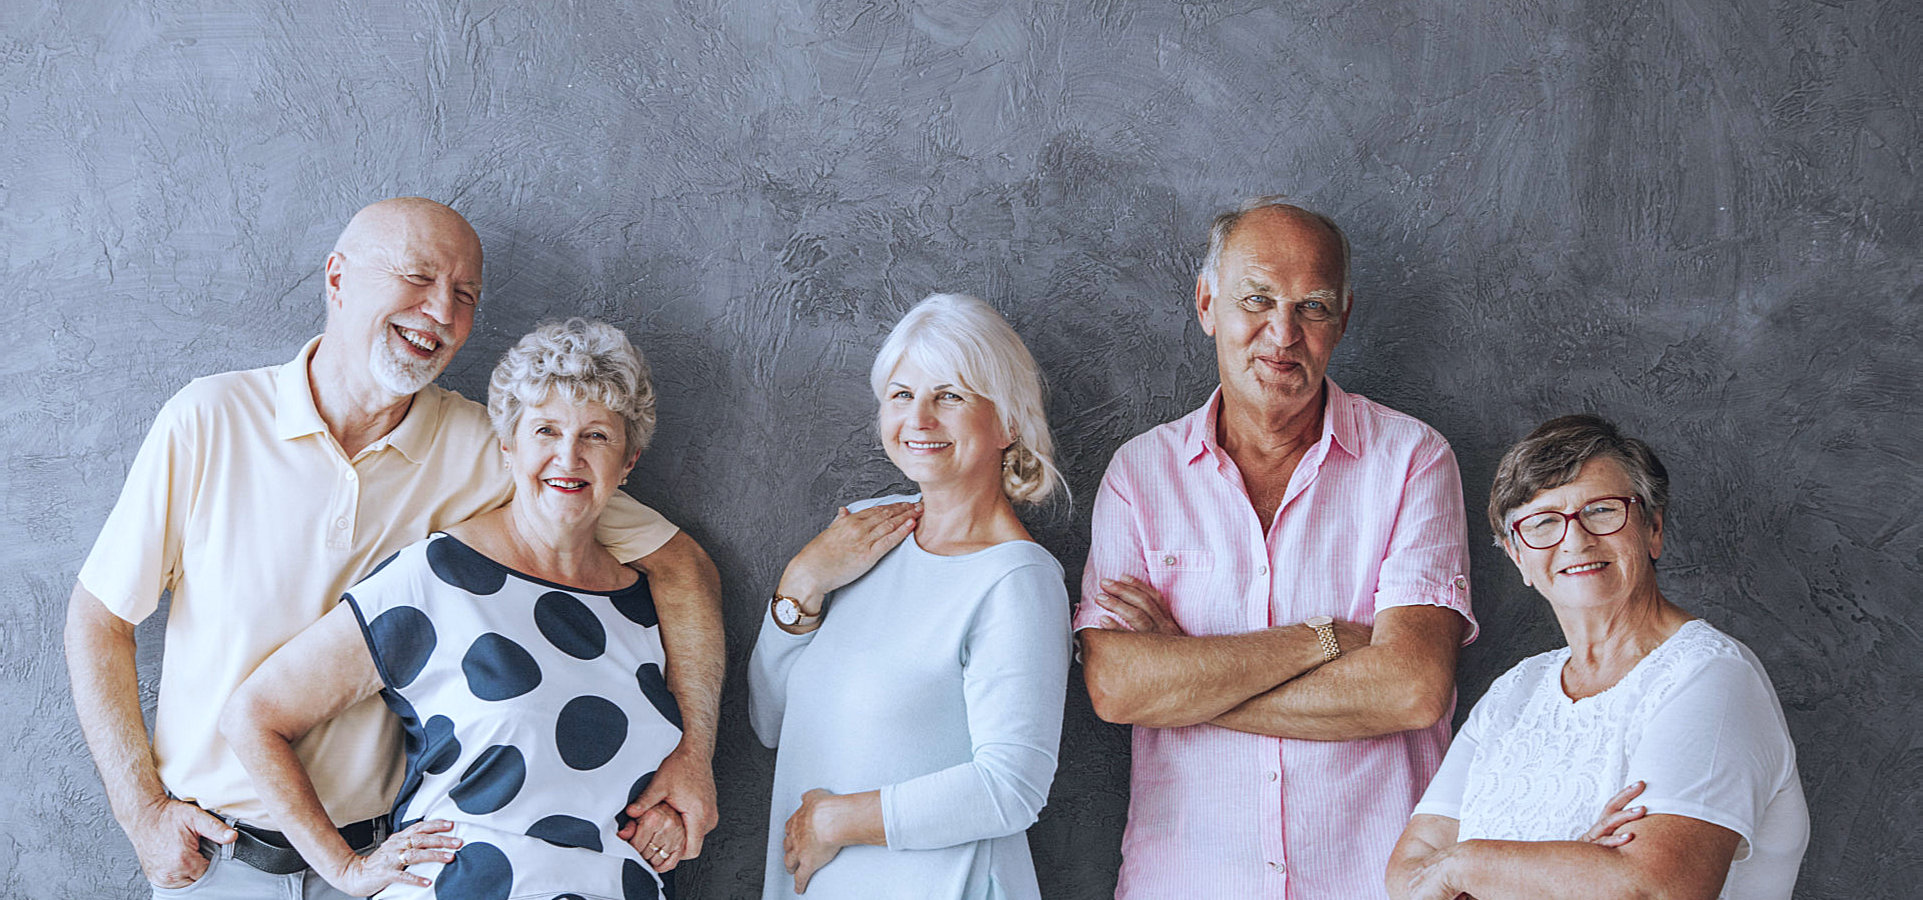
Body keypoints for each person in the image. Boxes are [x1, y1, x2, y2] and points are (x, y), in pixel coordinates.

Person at [64, 199, 722, 899]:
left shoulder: (491, 446)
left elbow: (679, 565)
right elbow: (99, 621)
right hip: (222, 861)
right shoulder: (210, 420)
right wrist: (140, 812)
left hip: (388, 863)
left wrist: (693, 755)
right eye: (417, 277)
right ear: (337, 279)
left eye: (464, 294)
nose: (440, 311)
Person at [1075, 196, 1478, 899]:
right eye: (1255, 299)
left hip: (1374, 883)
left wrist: (1186, 683)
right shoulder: (1139, 475)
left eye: (1312, 307)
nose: (1281, 333)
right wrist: (1323, 639)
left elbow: (1411, 690)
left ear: (1342, 320)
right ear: (1206, 305)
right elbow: (1116, 687)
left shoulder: (1412, 460)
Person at [221, 318, 699, 899]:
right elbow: (254, 714)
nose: (568, 456)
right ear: (508, 449)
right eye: (545, 430)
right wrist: (345, 869)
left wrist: (666, 823)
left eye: (596, 436)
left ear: (628, 463)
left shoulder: (646, 611)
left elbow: (620, 788)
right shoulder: (437, 577)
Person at [1386, 414, 1810, 899]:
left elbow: (1656, 889)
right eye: (1542, 522)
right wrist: (1577, 863)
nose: (1576, 539)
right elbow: (1408, 872)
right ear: (1517, 556)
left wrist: (1464, 863)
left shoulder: (1709, 679)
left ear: (1653, 528)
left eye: (1603, 510)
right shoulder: (1516, 691)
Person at [748, 293, 1071, 899]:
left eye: (949, 396)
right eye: (902, 395)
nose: (918, 420)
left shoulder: (1016, 580)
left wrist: (834, 821)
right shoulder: (863, 533)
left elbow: (1011, 789)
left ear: (1007, 423)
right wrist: (803, 581)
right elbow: (773, 723)